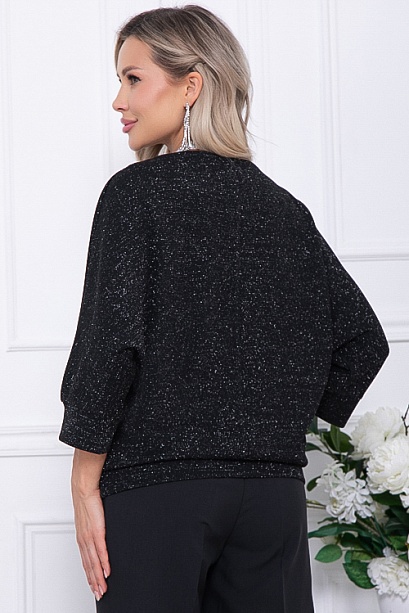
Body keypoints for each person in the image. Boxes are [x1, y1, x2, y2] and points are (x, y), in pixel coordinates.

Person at [59, 5, 389, 613]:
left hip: (160, 494)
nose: (118, 101)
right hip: (272, 500)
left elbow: (110, 345)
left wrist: (83, 479)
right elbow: (362, 340)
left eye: (133, 78)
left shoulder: (135, 194)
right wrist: (268, 420)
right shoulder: (282, 208)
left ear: (191, 85)